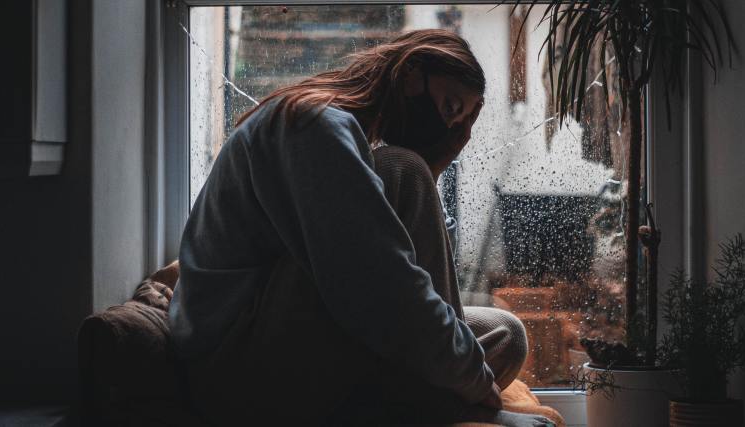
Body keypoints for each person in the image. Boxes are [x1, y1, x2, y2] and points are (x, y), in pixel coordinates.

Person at [168, 29, 554, 426]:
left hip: (287, 347)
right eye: (449, 107)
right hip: (235, 370)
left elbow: (405, 273)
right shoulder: (314, 125)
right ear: (410, 74)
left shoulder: (346, 136)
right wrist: (473, 382)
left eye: (457, 123)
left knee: (505, 334)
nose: (447, 128)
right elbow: (385, 287)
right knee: (402, 170)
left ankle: (407, 402)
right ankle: (447, 409)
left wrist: (433, 169)